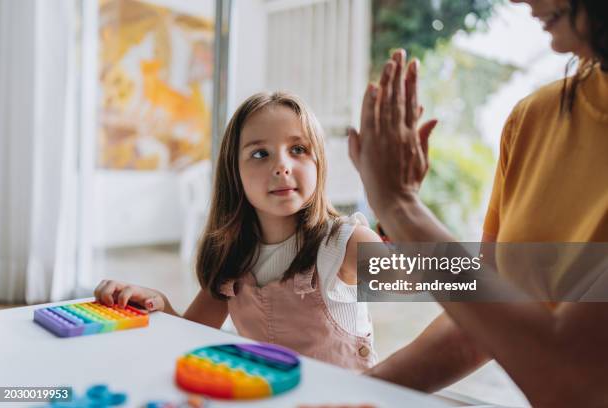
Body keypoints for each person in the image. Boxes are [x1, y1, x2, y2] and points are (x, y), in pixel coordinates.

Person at [348, 0, 608, 405]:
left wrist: (401, 207)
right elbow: (480, 321)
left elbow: (572, 378)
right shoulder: (535, 119)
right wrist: (353, 394)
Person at [95, 92, 381, 370]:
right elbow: (190, 337)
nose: (282, 165)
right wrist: (157, 303)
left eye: (298, 149)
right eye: (260, 154)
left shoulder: (344, 244)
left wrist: (394, 201)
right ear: (235, 173)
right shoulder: (232, 257)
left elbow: (425, 278)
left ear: (319, 161)